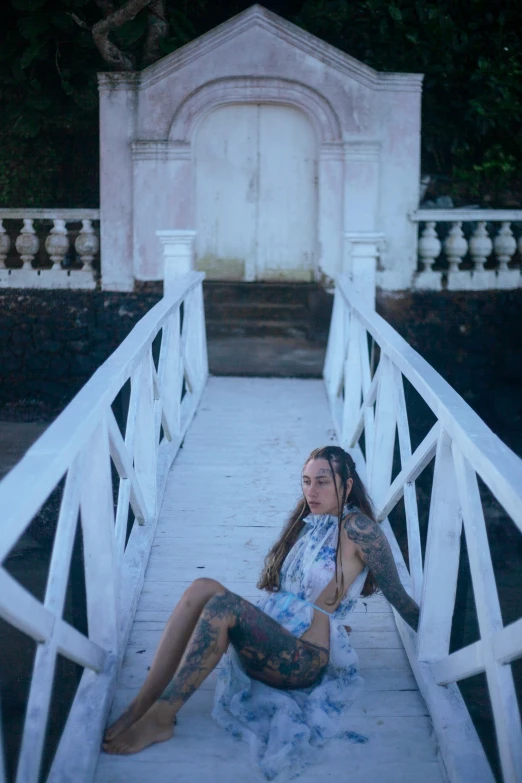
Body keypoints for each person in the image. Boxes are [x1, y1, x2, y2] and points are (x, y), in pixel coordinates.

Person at [102, 446, 419, 779]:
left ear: (347, 485)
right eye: (306, 481)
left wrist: (433, 633)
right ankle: (144, 702)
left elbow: (397, 595)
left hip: (303, 658)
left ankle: (161, 718)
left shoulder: (359, 529)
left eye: (323, 482)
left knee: (223, 607)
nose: (311, 491)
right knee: (202, 586)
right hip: (276, 636)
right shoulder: (310, 523)